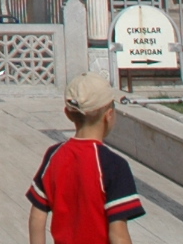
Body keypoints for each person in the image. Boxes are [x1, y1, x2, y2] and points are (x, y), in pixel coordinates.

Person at [27, 72, 144, 244]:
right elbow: (118, 234)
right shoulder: (114, 165)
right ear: (109, 115)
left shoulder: (54, 155)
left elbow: (37, 216)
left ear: (68, 113)